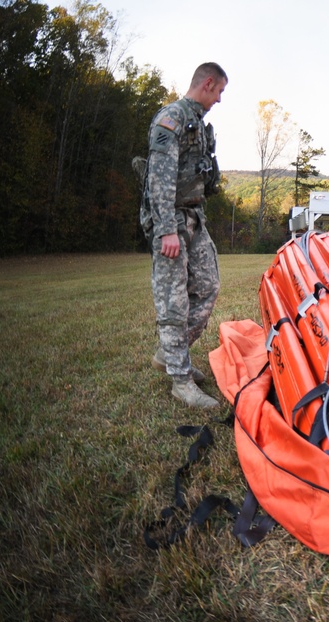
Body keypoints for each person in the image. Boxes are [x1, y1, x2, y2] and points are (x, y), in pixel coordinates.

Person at [139, 62, 227, 409]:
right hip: (170, 219)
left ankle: (170, 353)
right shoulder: (171, 118)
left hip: (193, 216)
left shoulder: (200, 125)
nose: (220, 99)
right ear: (208, 83)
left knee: (207, 286)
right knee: (174, 300)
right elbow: (157, 177)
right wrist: (165, 231)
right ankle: (180, 379)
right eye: (219, 91)